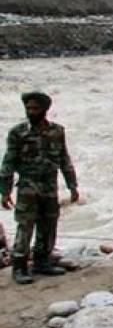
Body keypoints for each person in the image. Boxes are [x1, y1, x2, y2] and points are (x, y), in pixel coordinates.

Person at [0, 92, 79, 284]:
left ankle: (42, 261)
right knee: (25, 225)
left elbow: (64, 159)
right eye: (28, 108)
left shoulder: (57, 131)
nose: (30, 112)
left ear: (45, 109)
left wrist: (72, 185)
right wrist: (5, 190)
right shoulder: (18, 133)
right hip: (28, 185)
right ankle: (19, 266)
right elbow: (8, 162)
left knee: (49, 222)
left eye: (35, 108)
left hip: (50, 184)